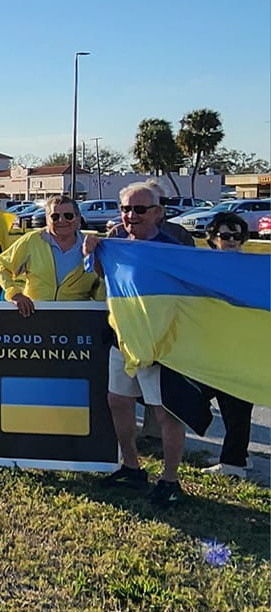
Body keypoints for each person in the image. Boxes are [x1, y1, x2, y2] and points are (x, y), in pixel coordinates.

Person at [83, 181, 186, 509]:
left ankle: (170, 480)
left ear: (157, 213)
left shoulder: (171, 251)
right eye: (125, 208)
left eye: (139, 209)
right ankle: (132, 467)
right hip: (122, 340)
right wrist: (92, 250)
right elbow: (100, 275)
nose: (130, 215)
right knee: (118, 401)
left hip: (158, 346)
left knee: (165, 413)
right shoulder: (115, 244)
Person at [201, 212, 254, 478]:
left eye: (236, 236)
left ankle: (234, 463)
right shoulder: (203, 266)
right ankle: (238, 453)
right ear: (213, 238)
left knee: (238, 406)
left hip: (243, 348)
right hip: (212, 347)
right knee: (192, 396)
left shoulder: (254, 268)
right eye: (225, 235)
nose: (231, 240)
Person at [0, 195, 103, 314]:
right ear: (47, 219)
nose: (61, 220)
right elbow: (0, 266)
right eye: (55, 217)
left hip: (78, 320)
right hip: (35, 317)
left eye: (68, 216)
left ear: (78, 218)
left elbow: (103, 284)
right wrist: (14, 294)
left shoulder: (93, 246)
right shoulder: (32, 241)